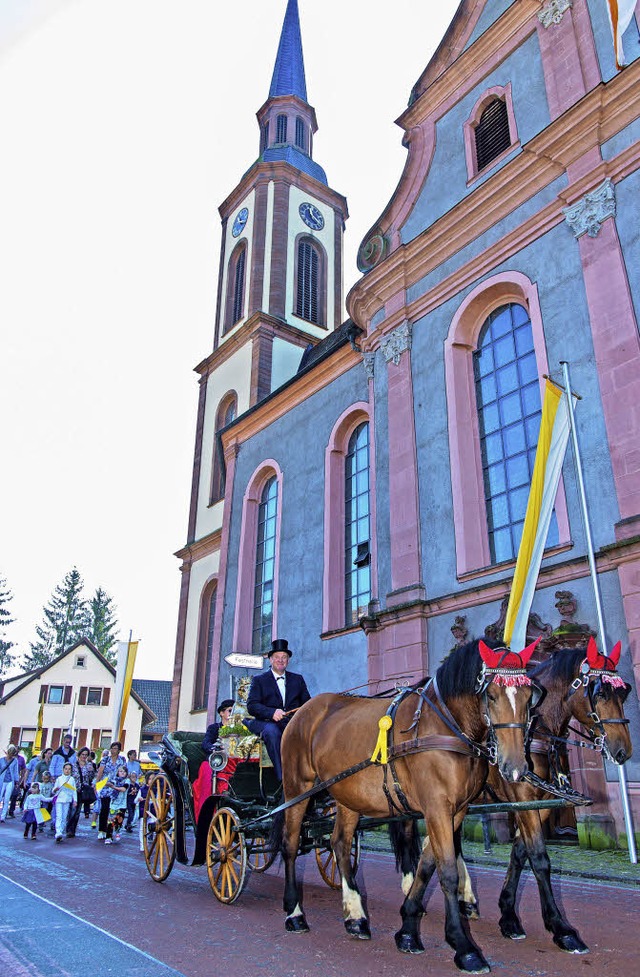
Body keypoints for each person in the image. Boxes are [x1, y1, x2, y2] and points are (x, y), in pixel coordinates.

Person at [245, 638, 311, 781]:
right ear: (270, 660)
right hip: (265, 722)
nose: (280, 660)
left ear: (288, 660)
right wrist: (272, 712)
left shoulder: (298, 679)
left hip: (290, 722)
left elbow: (307, 704)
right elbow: (252, 706)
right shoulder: (259, 680)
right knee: (272, 731)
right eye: (277, 657)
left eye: (284, 657)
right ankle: (284, 778)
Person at [94, 741, 126, 839]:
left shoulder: (122, 760)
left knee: (114, 811)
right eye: (112, 748)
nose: (113, 750)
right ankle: (102, 830)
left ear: (119, 750)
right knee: (104, 808)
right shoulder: (105, 759)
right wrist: (97, 784)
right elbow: (100, 771)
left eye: (115, 748)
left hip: (115, 787)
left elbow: (124, 772)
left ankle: (112, 830)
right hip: (105, 786)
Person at [67, 748, 96, 836]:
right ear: (79, 755)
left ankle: (72, 830)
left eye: (86, 755)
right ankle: (68, 827)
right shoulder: (73, 765)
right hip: (73, 790)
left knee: (77, 811)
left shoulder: (89, 765)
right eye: (82, 754)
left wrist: (92, 772)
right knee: (71, 810)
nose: (84, 756)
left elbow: (92, 778)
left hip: (82, 791)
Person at [52, 762, 77, 842]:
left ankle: (61, 832)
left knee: (64, 816)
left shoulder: (72, 779)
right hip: (59, 799)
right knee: (59, 816)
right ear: (63, 769)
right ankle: (58, 832)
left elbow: (74, 791)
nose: (67, 771)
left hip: (67, 799)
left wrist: (75, 800)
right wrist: (55, 789)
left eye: (69, 769)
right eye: (66, 769)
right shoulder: (59, 779)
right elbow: (54, 790)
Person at [105, 765, 129, 844]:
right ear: (118, 772)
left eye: (124, 772)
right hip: (113, 804)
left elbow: (123, 789)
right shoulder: (114, 780)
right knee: (110, 821)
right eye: (121, 771)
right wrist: (106, 783)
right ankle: (108, 837)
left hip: (122, 804)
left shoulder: (126, 781)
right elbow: (108, 783)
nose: (122, 773)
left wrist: (114, 787)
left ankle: (118, 831)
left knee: (119, 820)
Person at [0, 745, 20, 822]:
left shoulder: (15, 761)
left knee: (7, 798)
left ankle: (3, 816)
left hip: (10, 781)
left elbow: (15, 771)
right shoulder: (1, 760)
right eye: (10, 753)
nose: (10, 755)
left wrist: (16, 781)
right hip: (1, 780)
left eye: (12, 754)